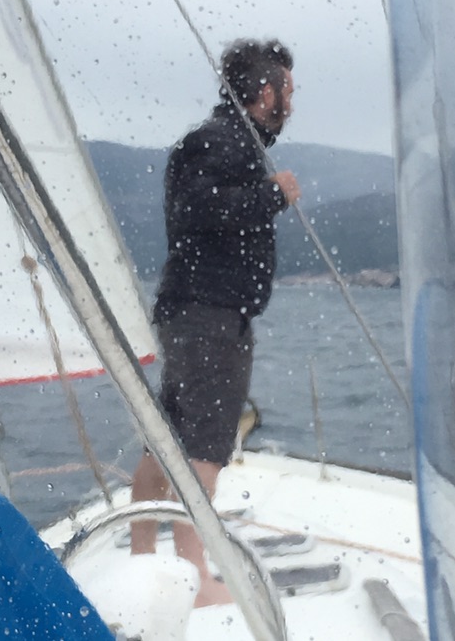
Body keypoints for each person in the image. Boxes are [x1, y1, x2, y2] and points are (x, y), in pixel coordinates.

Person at [131, 38, 300, 607]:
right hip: (210, 316)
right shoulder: (222, 141)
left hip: (194, 312)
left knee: (168, 442)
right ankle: (195, 578)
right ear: (264, 92)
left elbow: (199, 209)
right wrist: (271, 195)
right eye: (287, 90)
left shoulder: (222, 140)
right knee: (203, 448)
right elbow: (199, 210)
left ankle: (142, 559)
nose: (291, 102)